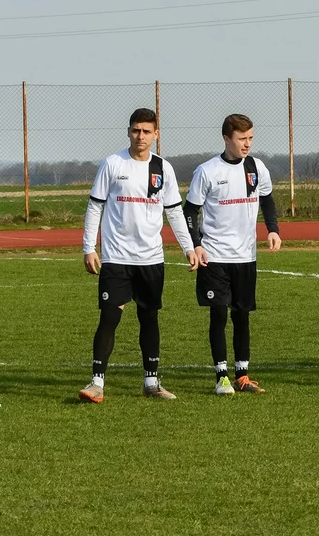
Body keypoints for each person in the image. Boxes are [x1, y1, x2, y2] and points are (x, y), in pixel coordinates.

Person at [79, 108, 199, 403]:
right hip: (116, 257)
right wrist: (89, 247)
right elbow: (95, 206)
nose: (140, 136)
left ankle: (151, 383)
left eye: (146, 131)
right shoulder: (112, 164)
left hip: (150, 259)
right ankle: (96, 383)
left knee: (149, 318)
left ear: (156, 134)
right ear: (129, 132)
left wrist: (188, 247)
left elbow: (174, 212)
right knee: (109, 317)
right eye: (135, 130)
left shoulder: (163, 168)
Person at [183, 114, 281, 396]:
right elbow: (190, 211)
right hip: (214, 256)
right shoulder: (207, 171)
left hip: (246, 256)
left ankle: (242, 375)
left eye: (250, 138)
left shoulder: (257, 167)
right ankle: (221, 376)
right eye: (241, 139)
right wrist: (196, 244)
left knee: (242, 315)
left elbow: (267, 200)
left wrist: (273, 229)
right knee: (218, 314)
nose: (247, 144)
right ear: (227, 139)